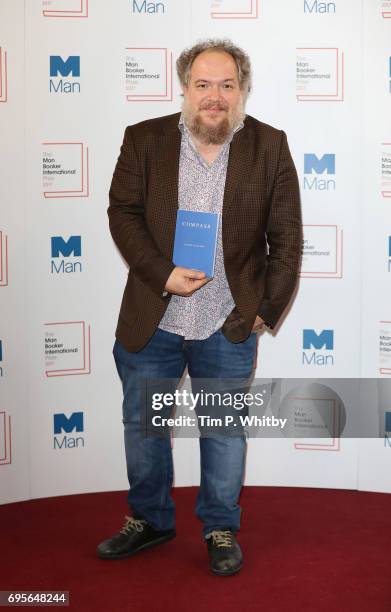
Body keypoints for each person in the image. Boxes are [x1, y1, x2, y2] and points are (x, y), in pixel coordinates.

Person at [97, 39, 302, 576]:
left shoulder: (269, 146)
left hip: (228, 322)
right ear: (185, 88)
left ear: (242, 91)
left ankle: (218, 526)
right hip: (154, 316)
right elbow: (123, 214)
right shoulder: (144, 140)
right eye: (204, 84)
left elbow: (287, 239)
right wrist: (162, 273)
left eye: (227, 85)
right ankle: (149, 520)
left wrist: (267, 308)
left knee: (223, 432)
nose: (215, 96)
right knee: (144, 430)